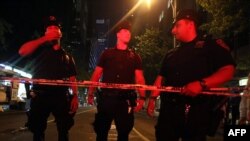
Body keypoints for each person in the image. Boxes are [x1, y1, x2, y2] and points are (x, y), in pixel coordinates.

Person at [147, 9, 236, 141]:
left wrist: (202, 84)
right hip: (169, 112)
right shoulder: (171, 54)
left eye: (177, 25)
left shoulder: (209, 46)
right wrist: (152, 99)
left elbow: (228, 70)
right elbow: (161, 78)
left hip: (196, 112)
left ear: (190, 24)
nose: (173, 31)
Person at [18, 16, 78, 141]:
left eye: (55, 28)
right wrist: (44, 39)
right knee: (37, 130)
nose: (52, 30)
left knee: (64, 129)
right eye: (49, 28)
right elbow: (22, 51)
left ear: (60, 33)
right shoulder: (39, 51)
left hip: (61, 96)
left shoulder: (67, 57)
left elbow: (73, 78)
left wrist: (75, 97)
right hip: (40, 95)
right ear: (45, 32)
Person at [87, 20, 146, 141]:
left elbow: (140, 78)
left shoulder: (135, 56)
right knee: (101, 132)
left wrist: (142, 98)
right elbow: (97, 74)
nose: (128, 33)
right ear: (117, 34)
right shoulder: (107, 54)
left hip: (125, 101)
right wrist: (91, 92)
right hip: (107, 99)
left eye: (129, 31)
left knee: (124, 134)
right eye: (124, 31)